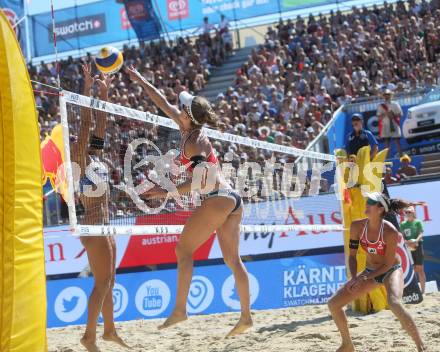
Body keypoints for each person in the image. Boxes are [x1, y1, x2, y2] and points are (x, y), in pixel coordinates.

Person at [126, 65, 252, 336]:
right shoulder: (185, 125)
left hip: (217, 197)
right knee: (233, 260)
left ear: (187, 115)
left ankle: (181, 310)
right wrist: (139, 79)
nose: (176, 106)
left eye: (180, 106)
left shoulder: (196, 142)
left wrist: (161, 192)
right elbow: (160, 100)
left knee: (183, 251)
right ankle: (245, 317)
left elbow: (201, 183)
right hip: (231, 199)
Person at [71, 64, 129, 352]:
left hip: (107, 224)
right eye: (79, 142)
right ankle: (89, 336)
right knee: (102, 282)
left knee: (110, 281)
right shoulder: (80, 163)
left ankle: (109, 331)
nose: (83, 141)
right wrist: (86, 88)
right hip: (93, 226)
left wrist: (104, 92)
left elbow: (100, 124)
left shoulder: (95, 157)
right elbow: (85, 123)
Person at [328, 192, 425, 352]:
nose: (366, 205)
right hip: (370, 271)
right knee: (333, 304)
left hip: (391, 270)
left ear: (380, 209)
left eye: (370, 203)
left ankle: (420, 346)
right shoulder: (357, 226)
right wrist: (354, 278)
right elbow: (352, 257)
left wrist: (364, 277)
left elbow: (387, 264)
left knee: (394, 303)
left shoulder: (390, 232)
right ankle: (347, 345)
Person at [401, 206, 426, 293]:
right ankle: (414, 291)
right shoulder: (403, 224)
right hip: (408, 248)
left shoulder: (418, 222)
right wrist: (408, 243)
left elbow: (421, 233)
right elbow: (402, 237)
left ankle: (423, 291)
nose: (407, 214)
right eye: (406, 212)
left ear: (413, 213)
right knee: (412, 269)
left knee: (420, 268)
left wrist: (415, 241)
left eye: (409, 212)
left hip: (417, 246)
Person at [377, 89, 403, 156]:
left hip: (394, 124)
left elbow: (400, 114)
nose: (386, 96)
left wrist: (393, 115)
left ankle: (401, 158)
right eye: (385, 95)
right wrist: (386, 113)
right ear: (383, 96)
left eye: (388, 94)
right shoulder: (381, 106)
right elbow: (379, 117)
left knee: (397, 142)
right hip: (385, 126)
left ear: (391, 95)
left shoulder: (395, 104)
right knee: (387, 144)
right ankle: (388, 160)